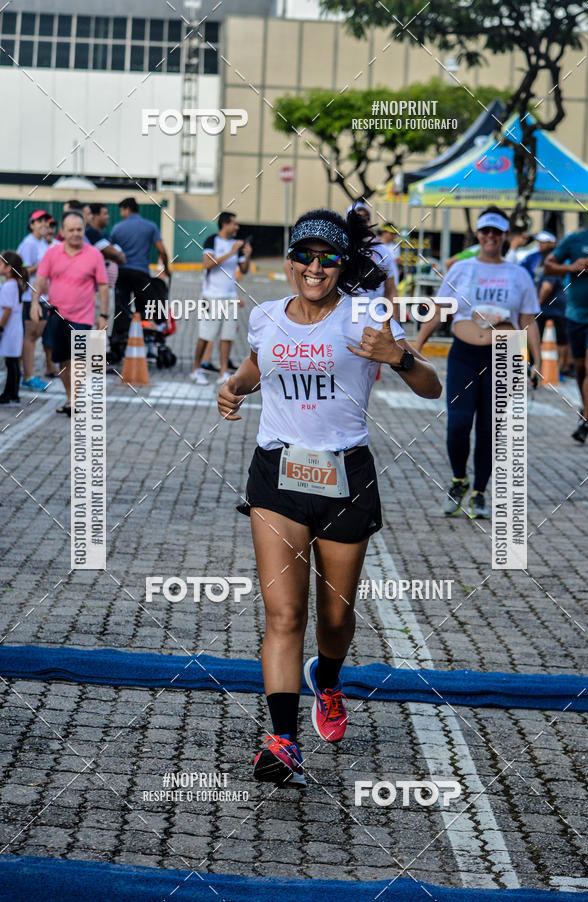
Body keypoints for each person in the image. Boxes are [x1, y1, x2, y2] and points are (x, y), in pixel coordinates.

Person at [217, 208, 441, 786]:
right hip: (278, 475)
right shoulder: (266, 316)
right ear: (288, 260)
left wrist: (401, 357)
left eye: (328, 258)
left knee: (335, 616)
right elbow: (253, 366)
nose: (314, 267)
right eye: (305, 256)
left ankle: (331, 678)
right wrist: (234, 389)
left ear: (343, 265)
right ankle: (282, 740)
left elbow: (429, 387)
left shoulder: (366, 313)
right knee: (284, 612)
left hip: (346, 476)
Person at [414, 206, 541, 519]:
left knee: (490, 428)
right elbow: (440, 307)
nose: (490, 237)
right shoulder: (462, 269)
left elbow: (527, 319)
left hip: (504, 356)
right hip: (465, 355)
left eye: (497, 232)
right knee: (458, 423)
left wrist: (535, 360)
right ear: (478, 234)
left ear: (505, 236)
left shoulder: (518, 274)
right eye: (485, 231)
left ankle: (480, 492)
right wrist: (417, 345)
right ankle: (459, 479)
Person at [30, 210, 109, 416]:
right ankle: (70, 398)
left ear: (84, 230)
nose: (76, 233)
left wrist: (104, 315)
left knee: (78, 360)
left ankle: (74, 400)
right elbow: (40, 279)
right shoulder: (52, 253)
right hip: (57, 315)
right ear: (63, 232)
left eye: (79, 229)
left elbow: (102, 286)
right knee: (62, 360)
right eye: (71, 230)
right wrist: (34, 303)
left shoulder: (94, 255)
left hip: (83, 316)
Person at [545, 200, 588, 443]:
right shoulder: (575, 241)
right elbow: (548, 267)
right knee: (580, 368)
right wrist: (571, 267)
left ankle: (585, 421)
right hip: (576, 314)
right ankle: (585, 405)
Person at [108, 197, 170, 366]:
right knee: (145, 309)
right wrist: (166, 268)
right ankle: (145, 344)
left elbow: (111, 251)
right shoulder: (150, 226)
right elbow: (162, 251)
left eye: (122, 210)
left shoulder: (118, 228)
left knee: (121, 309)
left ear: (127, 209)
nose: (122, 214)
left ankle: (118, 345)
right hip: (141, 273)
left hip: (122, 273)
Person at [191, 212, 251, 386]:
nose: (237, 227)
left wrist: (246, 255)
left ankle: (223, 372)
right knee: (205, 335)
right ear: (225, 224)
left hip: (230, 296)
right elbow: (208, 264)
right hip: (211, 296)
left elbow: (244, 270)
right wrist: (231, 252)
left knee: (228, 336)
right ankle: (196, 369)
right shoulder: (212, 240)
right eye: (234, 224)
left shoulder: (236, 244)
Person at [521, 232, 570, 380]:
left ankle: (559, 370)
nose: (542, 245)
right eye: (540, 242)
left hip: (555, 306)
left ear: (552, 243)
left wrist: (536, 304)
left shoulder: (554, 260)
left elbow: (547, 287)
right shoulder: (535, 258)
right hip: (542, 305)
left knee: (561, 338)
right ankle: (537, 367)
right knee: (537, 337)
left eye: (545, 242)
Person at [18, 210, 55, 390]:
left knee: (34, 337)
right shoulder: (29, 243)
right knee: (30, 338)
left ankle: (23, 373)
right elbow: (21, 270)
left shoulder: (41, 243)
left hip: (42, 297)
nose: (43, 224)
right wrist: (41, 267)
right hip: (29, 298)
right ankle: (28, 376)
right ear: (31, 224)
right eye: (39, 221)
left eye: (45, 222)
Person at [0, 251, 26, 405]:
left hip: (9, 330)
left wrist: (1, 327)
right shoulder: (17, 283)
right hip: (15, 329)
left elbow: (7, 309)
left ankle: (9, 393)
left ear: (8, 268)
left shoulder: (9, 286)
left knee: (11, 362)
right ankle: (13, 393)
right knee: (13, 361)